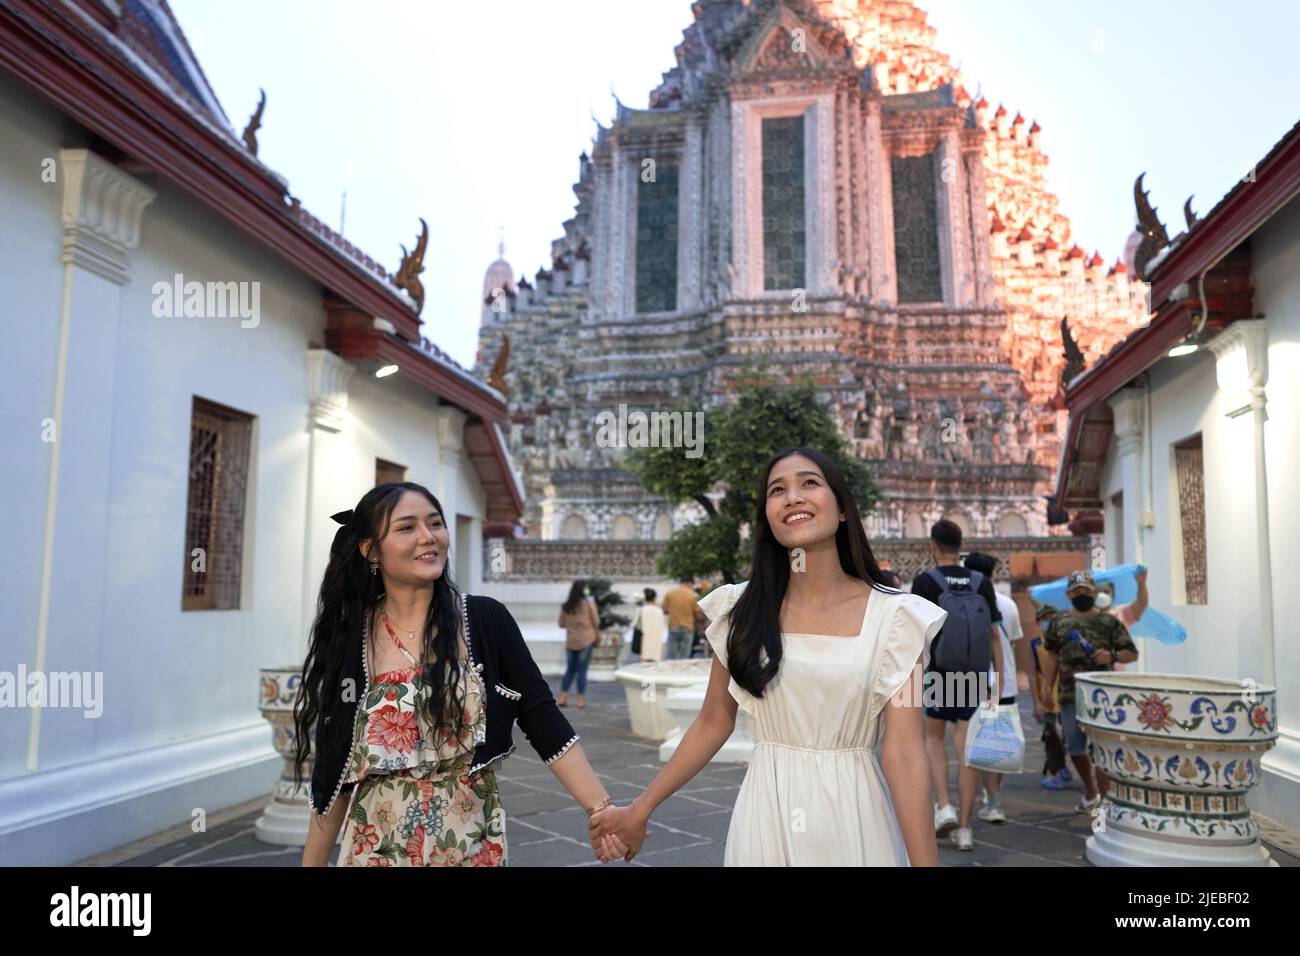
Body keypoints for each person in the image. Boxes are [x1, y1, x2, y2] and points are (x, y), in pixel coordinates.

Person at [589, 447, 944, 865]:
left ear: (843, 508)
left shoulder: (898, 617)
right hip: (765, 817)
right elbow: (712, 721)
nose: (793, 496)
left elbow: (905, 753)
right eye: (778, 490)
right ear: (767, 517)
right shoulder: (740, 611)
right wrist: (640, 809)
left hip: (858, 817)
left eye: (809, 483)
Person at [294, 482, 627, 866]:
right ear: (370, 550)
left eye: (435, 523)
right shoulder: (353, 637)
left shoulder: (483, 619)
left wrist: (599, 809)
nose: (428, 537)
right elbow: (334, 772)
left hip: (469, 846)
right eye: (406, 528)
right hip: (376, 852)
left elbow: (541, 716)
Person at [910, 521, 1004, 851]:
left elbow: (915, 636)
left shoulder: (925, 581)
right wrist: (999, 681)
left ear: (933, 546)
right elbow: (994, 634)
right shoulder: (981, 582)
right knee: (966, 747)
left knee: (934, 740)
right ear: (960, 545)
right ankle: (965, 828)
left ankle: (944, 807)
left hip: (939, 672)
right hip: (975, 674)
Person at [1040, 570, 1139, 813]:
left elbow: (1131, 653)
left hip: (1102, 697)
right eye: (1077, 591)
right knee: (1075, 748)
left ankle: (1104, 800)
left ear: (1095, 593)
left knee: (1102, 750)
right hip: (1069, 694)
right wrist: (1046, 685)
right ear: (1069, 594)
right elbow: (1052, 654)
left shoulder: (1109, 622)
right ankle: (1090, 790)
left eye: (1086, 591)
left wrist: (1111, 655)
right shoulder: (1059, 623)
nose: (1082, 595)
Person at [963, 552, 1022, 825]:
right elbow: (1012, 644)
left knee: (986, 741)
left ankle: (993, 800)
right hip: (1005, 680)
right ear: (993, 575)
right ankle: (994, 794)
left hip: (983, 683)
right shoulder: (1008, 605)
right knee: (1001, 738)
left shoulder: (969, 603)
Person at [1030, 603, 1069, 791]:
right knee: (1051, 735)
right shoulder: (1036, 645)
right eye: (1045, 619)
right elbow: (1032, 673)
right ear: (1039, 622)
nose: (1049, 622)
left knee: (1068, 735)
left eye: (1052, 618)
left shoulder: (1065, 643)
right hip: (1046, 698)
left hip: (1065, 695)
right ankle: (1054, 771)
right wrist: (1036, 701)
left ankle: (1061, 766)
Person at [557, 580, 600, 708]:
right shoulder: (588, 604)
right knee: (582, 670)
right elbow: (596, 621)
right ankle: (580, 700)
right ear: (583, 590)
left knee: (570, 670)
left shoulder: (566, 606)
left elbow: (561, 624)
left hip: (571, 642)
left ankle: (562, 697)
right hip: (586, 641)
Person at [1097, 566, 1148, 672]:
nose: (1101, 595)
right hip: (1091, 674)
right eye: (1098, 592)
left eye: (1106, 592)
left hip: (1116, 674)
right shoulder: (1087, 615)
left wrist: (1141, 584)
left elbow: (1141, 604)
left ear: (1113, 595)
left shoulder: (1121, 613)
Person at [662, 576, 704, 660]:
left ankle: (669, 672)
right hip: (688, 628)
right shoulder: (694, 595)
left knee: (671, 656)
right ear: (689, 583)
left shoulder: (670, 594)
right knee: (684, 657)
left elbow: (665, 611)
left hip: (673, 627)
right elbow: (698, 615)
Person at [635, 588, 667, 662]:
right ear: (654, 598)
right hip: (656, 639)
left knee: (644, 659)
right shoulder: (659, 611)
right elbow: (662, 626)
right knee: (654, 660)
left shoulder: (641, 610)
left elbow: (636, 625)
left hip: (643, 638)